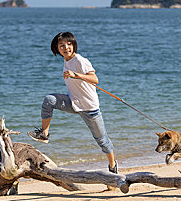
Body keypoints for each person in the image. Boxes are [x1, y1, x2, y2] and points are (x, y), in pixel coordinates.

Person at [27, 31, 118, 173]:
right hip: (73, 102)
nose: (66, 48)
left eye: (69, 44)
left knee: (102, 141)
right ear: (57, 49)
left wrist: (76, 75)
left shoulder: (80, 60)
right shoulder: (66, 60)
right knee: (49, 100)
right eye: (61, 45)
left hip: (89, 108)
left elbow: (95, 79)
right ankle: (44, 134)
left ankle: (113, 166)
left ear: (74, 45)